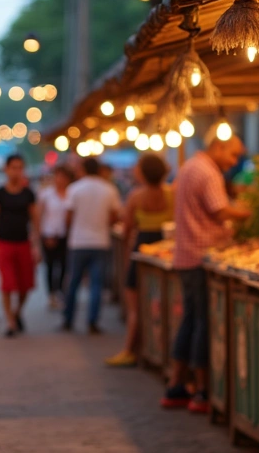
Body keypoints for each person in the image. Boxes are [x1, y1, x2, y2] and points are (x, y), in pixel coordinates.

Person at [163, 129, 250, 414]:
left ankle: (176, 386)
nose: (235, 161)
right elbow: (220, 210)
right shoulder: (208, 171)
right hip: (201, 256)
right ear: (219, 147)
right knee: (202, 321)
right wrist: (250, 211)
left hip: (185, 255)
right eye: (234, 154)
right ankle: (201, 391)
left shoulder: (189, 166)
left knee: (190, 319)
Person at [106, 154, 172, 367]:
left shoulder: (135, 196)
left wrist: (127, 259)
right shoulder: (172, 194)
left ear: (143, 172)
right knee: (164, 305)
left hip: (140, 252)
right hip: (164, 252)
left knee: (136, 307)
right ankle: (161, 351)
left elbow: (126, 231)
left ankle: (130, 349)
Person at [61, 158, 122, 334]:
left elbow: (68, 217)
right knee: (96, 284)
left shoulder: (74, 189)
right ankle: (92, 321)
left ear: (83, 170)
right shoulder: (109, 189)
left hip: (78, 242)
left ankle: (68, 319)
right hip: (100, 242)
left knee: (73, 282)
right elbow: (114, 216)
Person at [0, 154, 40, 337]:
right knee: (7, 284)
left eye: (20, 168)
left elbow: (35, 219)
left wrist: (36, 244)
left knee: (25, 285)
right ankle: (10, 321)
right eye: (14, 168)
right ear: (6, 169)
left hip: (23, 243)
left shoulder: (28, 193)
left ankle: (17, 313)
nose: (17, 171)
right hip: (5, 243)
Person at [37, 166, 73, 310]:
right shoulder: (46, 194)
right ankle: (52, 293)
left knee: (64, 265)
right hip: (49, 234)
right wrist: (40, 234)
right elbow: (40, 216)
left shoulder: (71, 194)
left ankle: (61, 291)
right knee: (51, 266)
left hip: (66, 235)